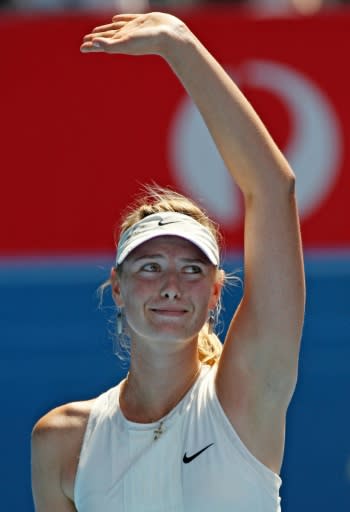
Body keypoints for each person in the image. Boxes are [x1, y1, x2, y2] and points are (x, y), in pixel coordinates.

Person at [31, 12, 305, 512]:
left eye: (193, 269)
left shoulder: (244, 397)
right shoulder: (60, 441)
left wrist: (179, 44)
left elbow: (273, 187)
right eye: (150, 267)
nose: (172, 285)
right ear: (117, 286)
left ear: (217, 291)